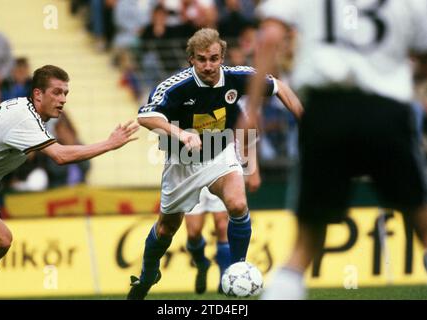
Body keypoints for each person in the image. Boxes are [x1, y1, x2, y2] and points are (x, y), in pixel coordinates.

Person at [241, 0, 427, 299]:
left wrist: (252, 108)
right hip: (387, 112)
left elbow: (271, 35)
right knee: (422, 223)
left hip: (325, 110)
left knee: (304, 246)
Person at [127, 28, 303, 300]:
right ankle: (149, 274)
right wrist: (181, 133)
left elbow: (280, 87)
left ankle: (237, 269)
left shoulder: (237, 77)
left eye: (213, 58)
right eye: (201, 59)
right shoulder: (176, 87)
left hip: (220, 155)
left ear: (222, 57)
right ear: (191, 60)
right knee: (166, 229)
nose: (208, 66)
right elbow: (145, 117)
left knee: (237, 205)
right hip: (182, 162)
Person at [0, 65, 139, 299]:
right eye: (56, 92)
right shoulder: (23, 117)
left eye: (65, 93)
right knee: (1, 239)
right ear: (38, 94)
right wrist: (109, 144)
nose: (62, 99)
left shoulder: (27, 113)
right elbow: (60, 156)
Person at [185, 164, 261, 294]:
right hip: (192, 169)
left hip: (220, 167)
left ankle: (225, 280)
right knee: (193, 233)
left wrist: (253, 169)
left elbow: (246, 143)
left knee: (222, 225)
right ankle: (202, 264)